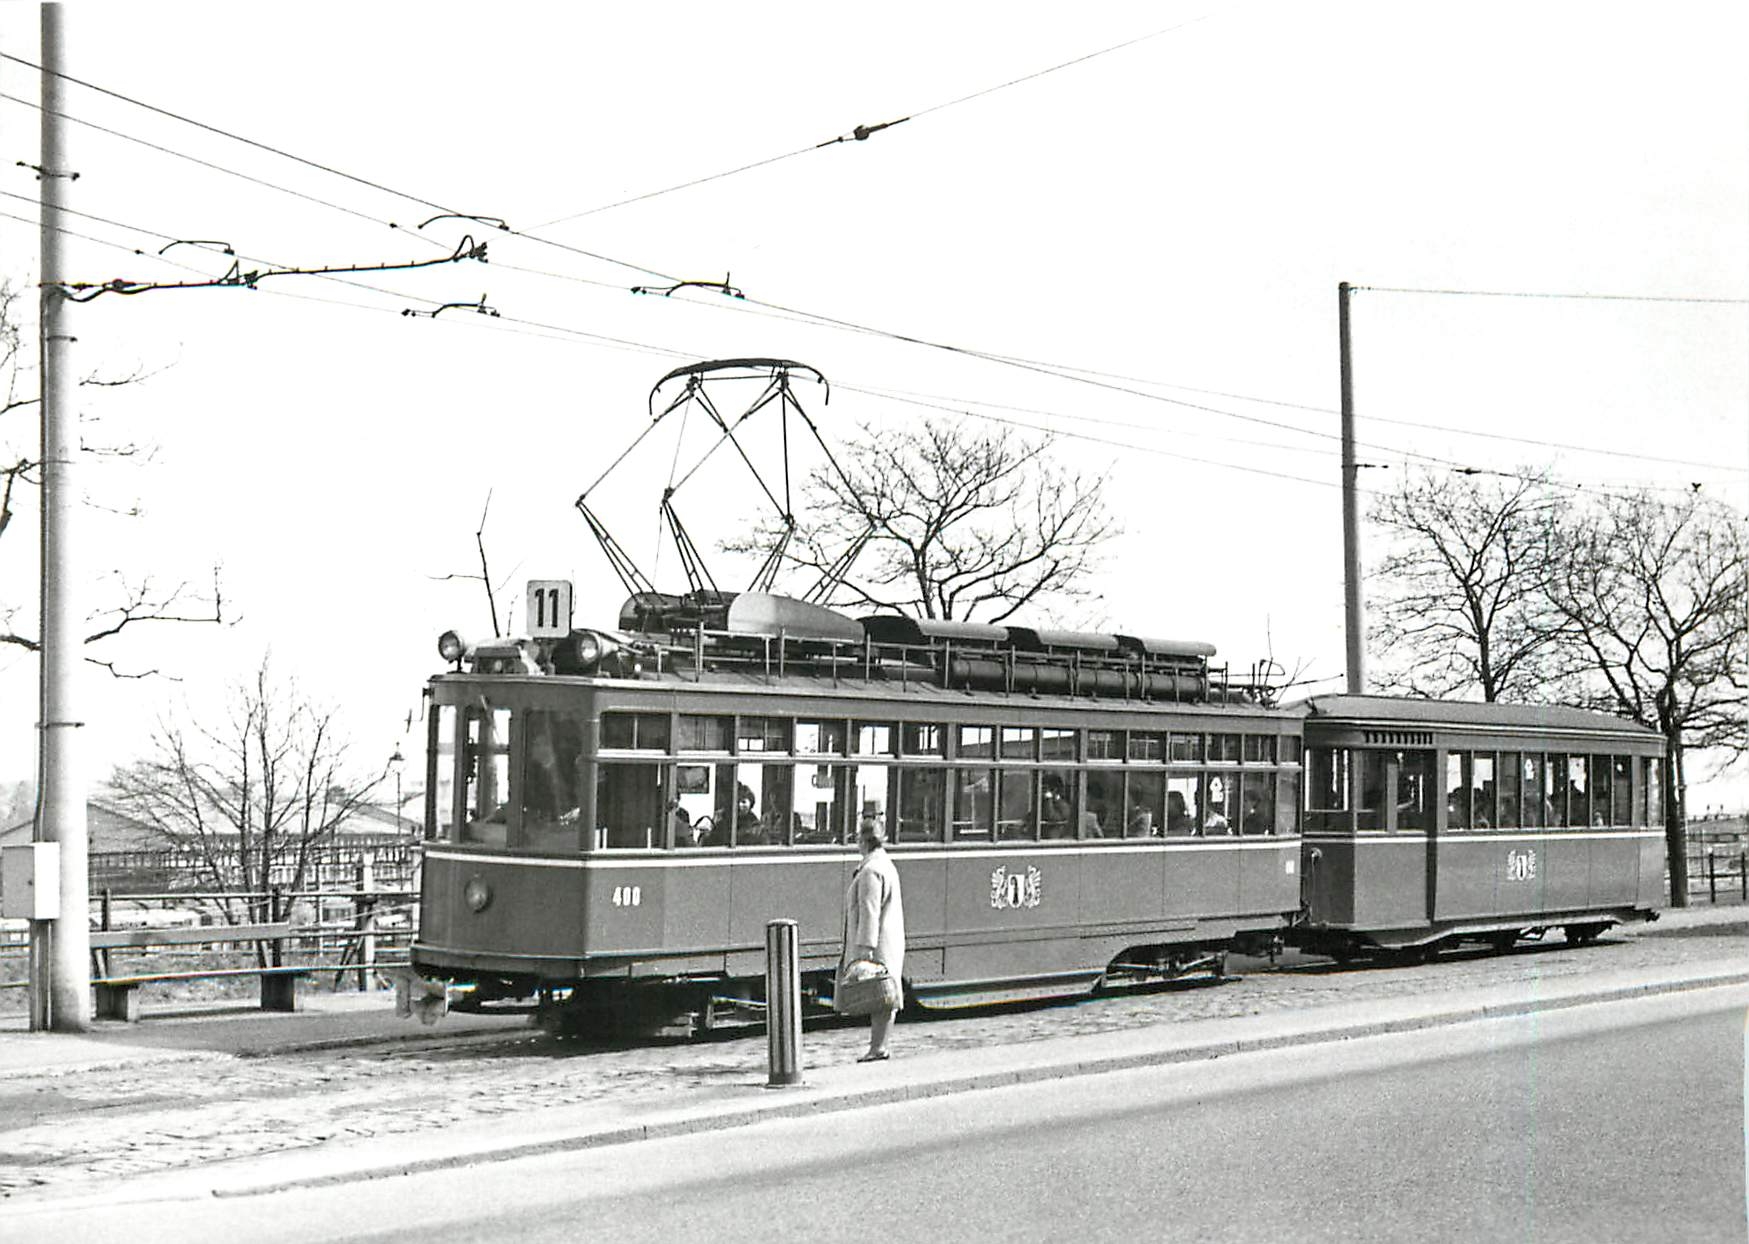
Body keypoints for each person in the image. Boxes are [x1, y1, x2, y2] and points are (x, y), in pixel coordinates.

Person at [841, 816, 905, 1062]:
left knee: (879, 994)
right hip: (890, 939)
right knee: (886, 994)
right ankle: (880, 1045)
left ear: (863, 841)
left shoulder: (870, 870)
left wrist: (864, 948)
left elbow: (869, 911)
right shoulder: (886, 864)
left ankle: (877, 1047)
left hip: (877, 942)